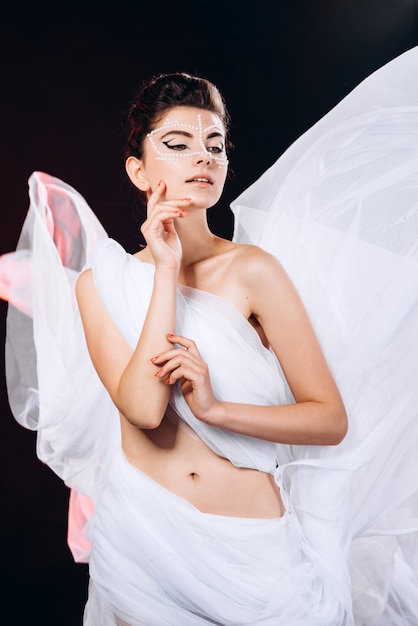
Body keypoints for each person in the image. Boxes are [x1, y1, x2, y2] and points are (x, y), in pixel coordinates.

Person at [1, 49, 418, 625]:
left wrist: (217, 408)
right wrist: (165, 271)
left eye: (215, 145)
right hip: (143, 541)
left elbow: (328, 419)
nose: (203, 155)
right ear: (138, 170)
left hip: (254, 555)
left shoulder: (254, 271)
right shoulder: (103, 282)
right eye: (177, 144)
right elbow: (146, 409)